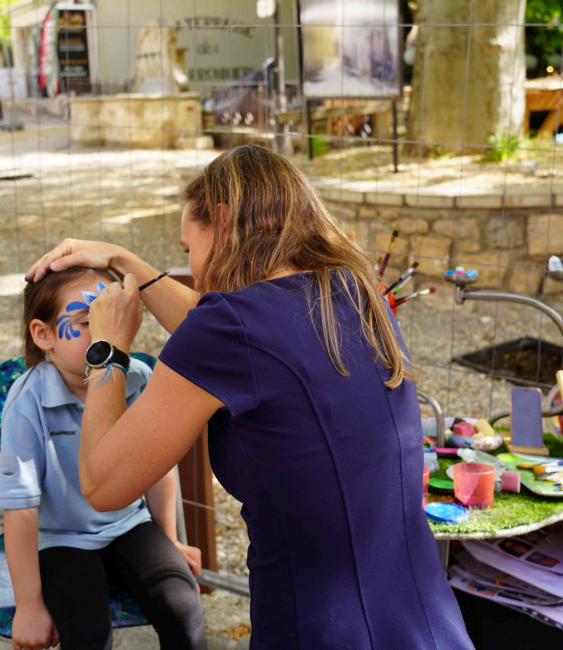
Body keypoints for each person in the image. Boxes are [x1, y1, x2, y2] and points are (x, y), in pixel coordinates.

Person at [26, 144, 475, 650]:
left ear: (222, 221)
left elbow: (102, 485)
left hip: (320, 628)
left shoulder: (230, 330)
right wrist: (121, 258)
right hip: (423, 617)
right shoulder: (354, 291)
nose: (194, 271)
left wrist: (107, 350)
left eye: (188, 249)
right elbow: (227, 335)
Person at [0, 266, 207, 650]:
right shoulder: (27, 402)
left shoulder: (138, 378)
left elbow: (156, 470)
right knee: (87, 630)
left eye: (112, 316)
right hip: (59, 541)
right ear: (44, 335)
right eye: (88, 322)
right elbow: (21, 508)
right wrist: (28, 604)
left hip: (130, 525)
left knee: (183, 607)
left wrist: (169, 539)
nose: (106, 331)